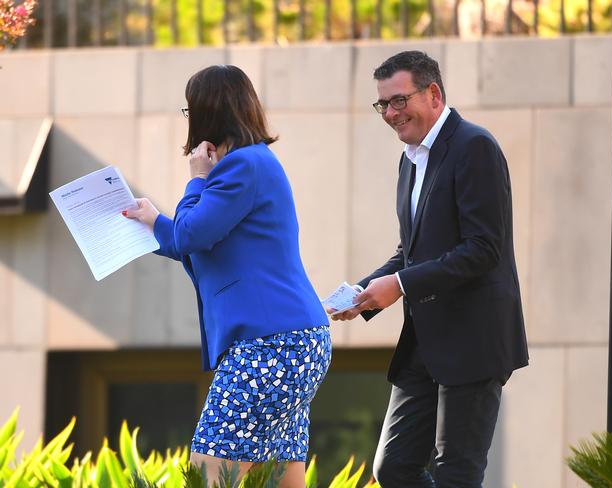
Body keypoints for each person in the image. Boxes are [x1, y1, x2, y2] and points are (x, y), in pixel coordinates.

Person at [124, 65, 331, 488]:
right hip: (292, 343)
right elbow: (197, 240)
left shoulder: (239, 167)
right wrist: (151, 224)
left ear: (206, 113)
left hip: (269, 345)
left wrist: (196, 180)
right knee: (279, 476)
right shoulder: (253, 164)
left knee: (209, 472)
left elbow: (190, 233)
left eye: (190, 110)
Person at [330, 51, 529, 488]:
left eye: (399, 100)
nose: (392, 114)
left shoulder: (474, 147)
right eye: (383, 104)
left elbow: (483, 248)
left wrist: (399, 285)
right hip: (425, 342)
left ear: (434, 93)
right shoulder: (411, 160)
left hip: (474, 340)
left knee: (457, 475)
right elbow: (413, 249)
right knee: (394, 468)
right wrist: (360, 294)